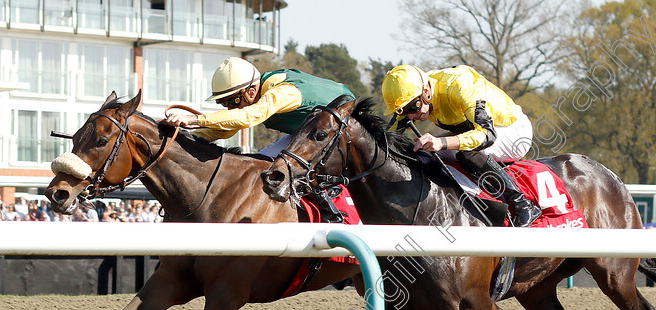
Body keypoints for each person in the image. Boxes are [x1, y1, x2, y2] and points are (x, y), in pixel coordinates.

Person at [162, 57, 355, 222]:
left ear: (251, 92)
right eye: (224, 103)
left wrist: (195, 119)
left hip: (342, 130)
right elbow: (228, 129)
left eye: (232, 102)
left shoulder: (283, 93)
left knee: (278, 166)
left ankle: (330, 209)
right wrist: (186, 137)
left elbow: (246, 117)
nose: (229, 108)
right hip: (311, 133)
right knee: (261, 162)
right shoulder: (263, 92)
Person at [381, 64, 542, 227]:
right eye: (403, 111)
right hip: (473, 130)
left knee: (464, 150)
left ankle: (522, 203)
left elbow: (487, 135)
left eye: (413, 107)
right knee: (421, 151)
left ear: (426, 91)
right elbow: (388, 139)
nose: (411, 115)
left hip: (511, 130)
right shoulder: (414, 95)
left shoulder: (460, 86)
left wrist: (442, 143)